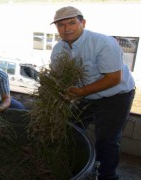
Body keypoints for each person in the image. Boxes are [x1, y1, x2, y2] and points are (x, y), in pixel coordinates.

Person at [50, 6, 135, 180]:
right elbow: (58, 77)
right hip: (85, 95)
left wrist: (80, 92)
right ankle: (76, 166)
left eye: (72, 23)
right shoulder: (59, 49)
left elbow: (113, 78)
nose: (66, 29)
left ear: (83, 23)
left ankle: (107, 176)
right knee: (70, 128)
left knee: (107, 140)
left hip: (115, 96)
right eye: (61, 25)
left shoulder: (103, 42)